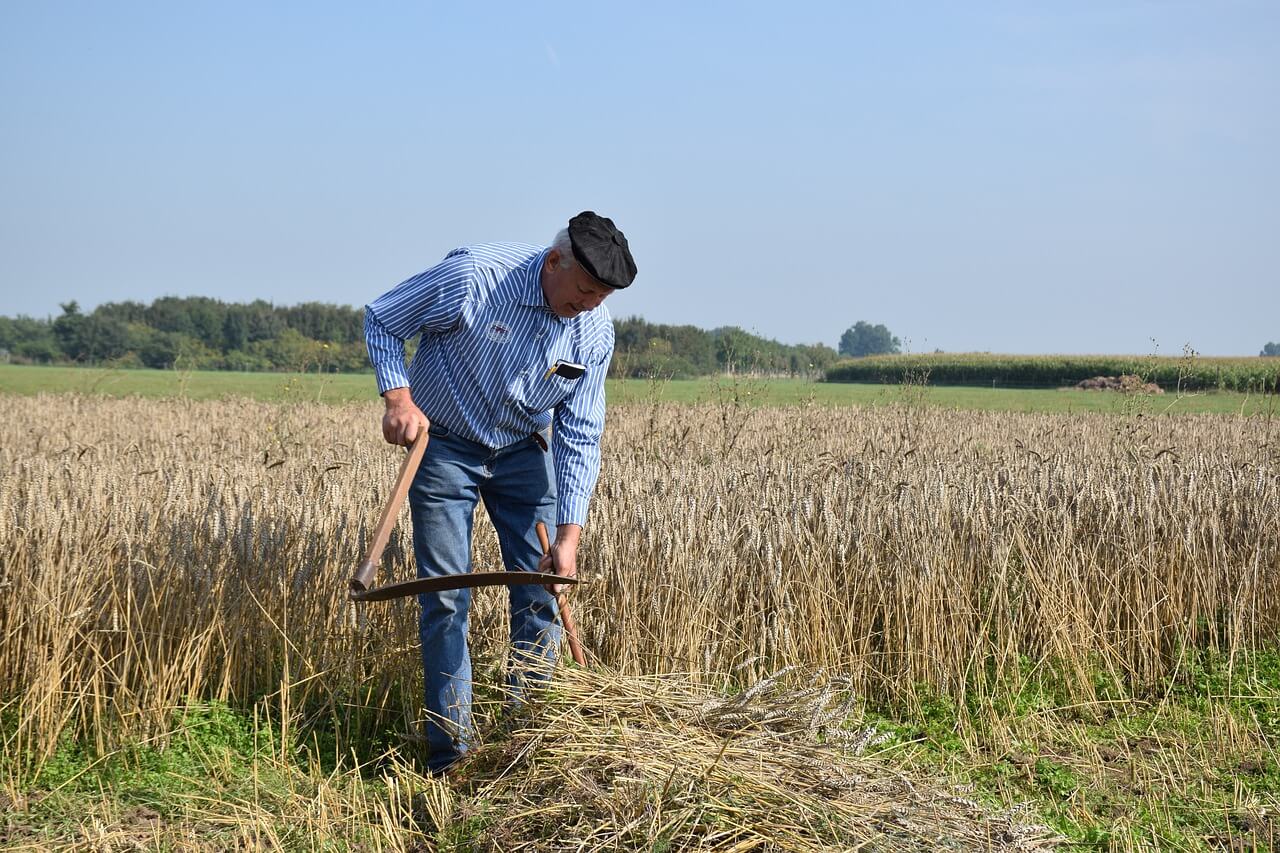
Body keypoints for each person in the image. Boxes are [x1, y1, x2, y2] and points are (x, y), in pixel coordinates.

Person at [363, 211, 636, 774]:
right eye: (583, 291)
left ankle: (528, 745)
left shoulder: (594, 329)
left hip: (520, 452)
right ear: (553, 261)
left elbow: (580, 433)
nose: (587, 306)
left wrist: (569, 536)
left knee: (542, 588)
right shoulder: (475, 279)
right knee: (445, 595)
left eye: (600, 298)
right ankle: (452, 757)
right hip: (443, 448)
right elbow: (382, 319)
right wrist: (398, 398)